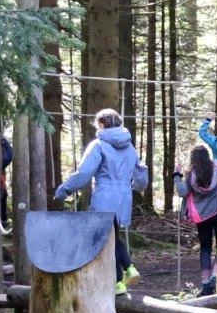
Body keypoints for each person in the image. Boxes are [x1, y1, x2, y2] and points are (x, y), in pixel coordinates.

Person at [54, 108, 149, 295]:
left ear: (103, 124)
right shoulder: (130, 148)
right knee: (112, 235)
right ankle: (129, 268)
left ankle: (117, 282)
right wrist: (133, 187)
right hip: (124, 198)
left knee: (105, 239)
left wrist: (65, 189)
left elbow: (84, 173)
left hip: (104, 197)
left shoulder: (98, 145)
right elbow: (141, 178)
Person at [174, 142, 217, 296]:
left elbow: (182, 192)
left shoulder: (190, 175)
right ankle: (216, 275)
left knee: (206, 248)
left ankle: (206, 283)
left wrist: (177, 175)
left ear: (193, 159)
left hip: (202, 217)